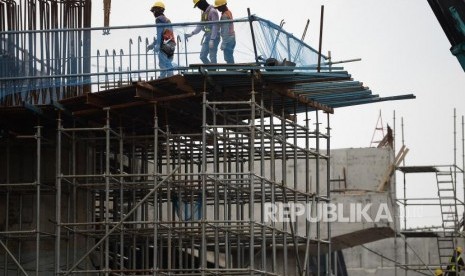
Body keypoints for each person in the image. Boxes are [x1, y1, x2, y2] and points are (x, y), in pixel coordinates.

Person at [147, 1, 175, 78]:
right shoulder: (166, 19)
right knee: (168, 62)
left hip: (165, 44)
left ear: (159, 10)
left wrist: (158, 45)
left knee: (163, 63)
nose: (153, 13)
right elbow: (162, 34)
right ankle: (170, 77)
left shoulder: (159, 19)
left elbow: (159, 33)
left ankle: (163, 78)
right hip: (171, 44)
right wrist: (153, 44)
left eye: (154, 10)